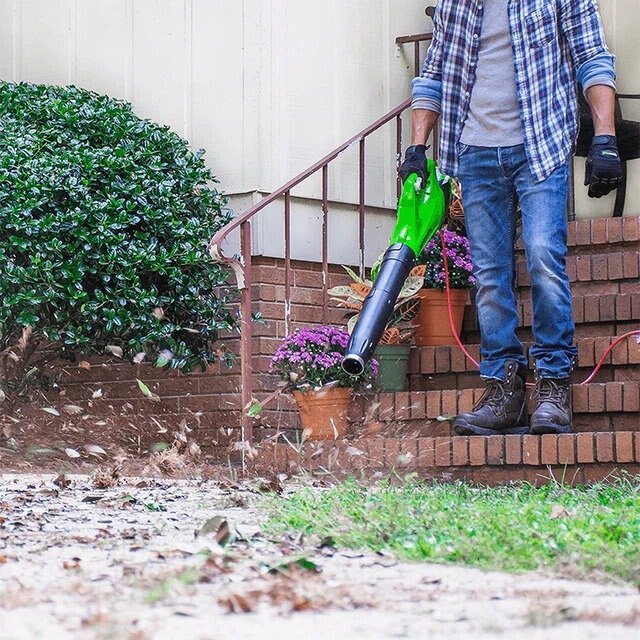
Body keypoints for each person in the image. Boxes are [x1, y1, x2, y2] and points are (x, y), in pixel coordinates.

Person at [399, 0, 621, 436]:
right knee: (489, 274)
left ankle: (553, 383)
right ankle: (504, 388)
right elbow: (434, 74)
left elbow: (592, 57)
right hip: (475, 152)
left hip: (541, 145)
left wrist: (605, 138)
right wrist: (417, 147)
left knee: (542, 255)